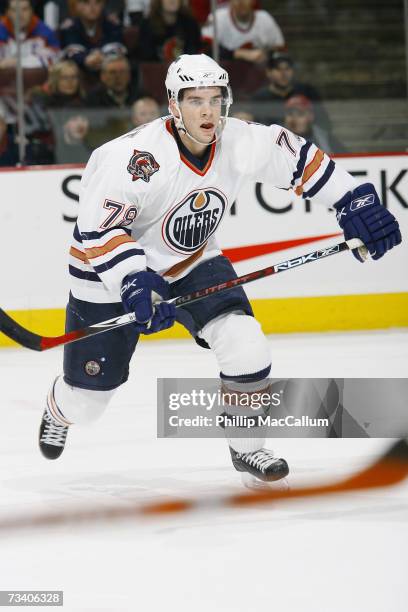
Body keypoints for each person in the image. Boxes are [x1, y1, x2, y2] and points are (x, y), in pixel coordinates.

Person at [38, 54, 401, 490]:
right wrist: (134, 280)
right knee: (89, 405)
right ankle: (60, 407)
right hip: (105, 275)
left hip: (192, 261)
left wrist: (354, 200)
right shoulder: (131, 159)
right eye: (195, 101)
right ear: (173, 106)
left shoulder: (238, 140)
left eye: (216, 99)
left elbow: (299, 159)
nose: (208, 111)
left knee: (246, 343)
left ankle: (247, 445)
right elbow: (100, 231)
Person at [253, 51, 329, 127]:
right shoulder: (259, 97)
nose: (283, 73)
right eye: (278, 69)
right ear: (268, 72)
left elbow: (322, 121)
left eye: (287, 68)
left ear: (293, 71)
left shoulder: (307, 91)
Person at [202, 0, 285, 64]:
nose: (241, 2)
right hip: (223, 77)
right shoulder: (218, 17)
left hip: (259, 78)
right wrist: (240, 54)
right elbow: (205, 49)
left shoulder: (264, 18)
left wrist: (265, 54)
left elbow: (280, 50)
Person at [60, 0, 126, 73]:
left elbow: (116, 47)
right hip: (79, 71)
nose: (92, 7)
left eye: (97, 2)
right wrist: (86, 59)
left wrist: (103, 57)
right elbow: (72, 51)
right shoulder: (70, 26)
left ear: (103, 5)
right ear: (77, 5)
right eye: (86, 2)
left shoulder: (111, 23)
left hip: (108, 68)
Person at [0, 0, 59, 69]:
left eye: (24, 9)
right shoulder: (1, 30)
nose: (20, 14)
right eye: (14, 10)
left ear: (31, 11)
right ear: (8, 12)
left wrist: (19, 62)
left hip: (36, 78)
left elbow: (55, 59)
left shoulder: (45, 33)